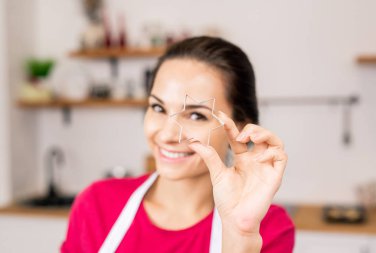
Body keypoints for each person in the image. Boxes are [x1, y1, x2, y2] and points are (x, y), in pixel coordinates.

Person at [61, 36, 295, 253]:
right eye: (158, 108)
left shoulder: (266, 228)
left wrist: (240, 235)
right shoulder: (97, 206)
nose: (167, 134)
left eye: (196, 116)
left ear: (241, 128)